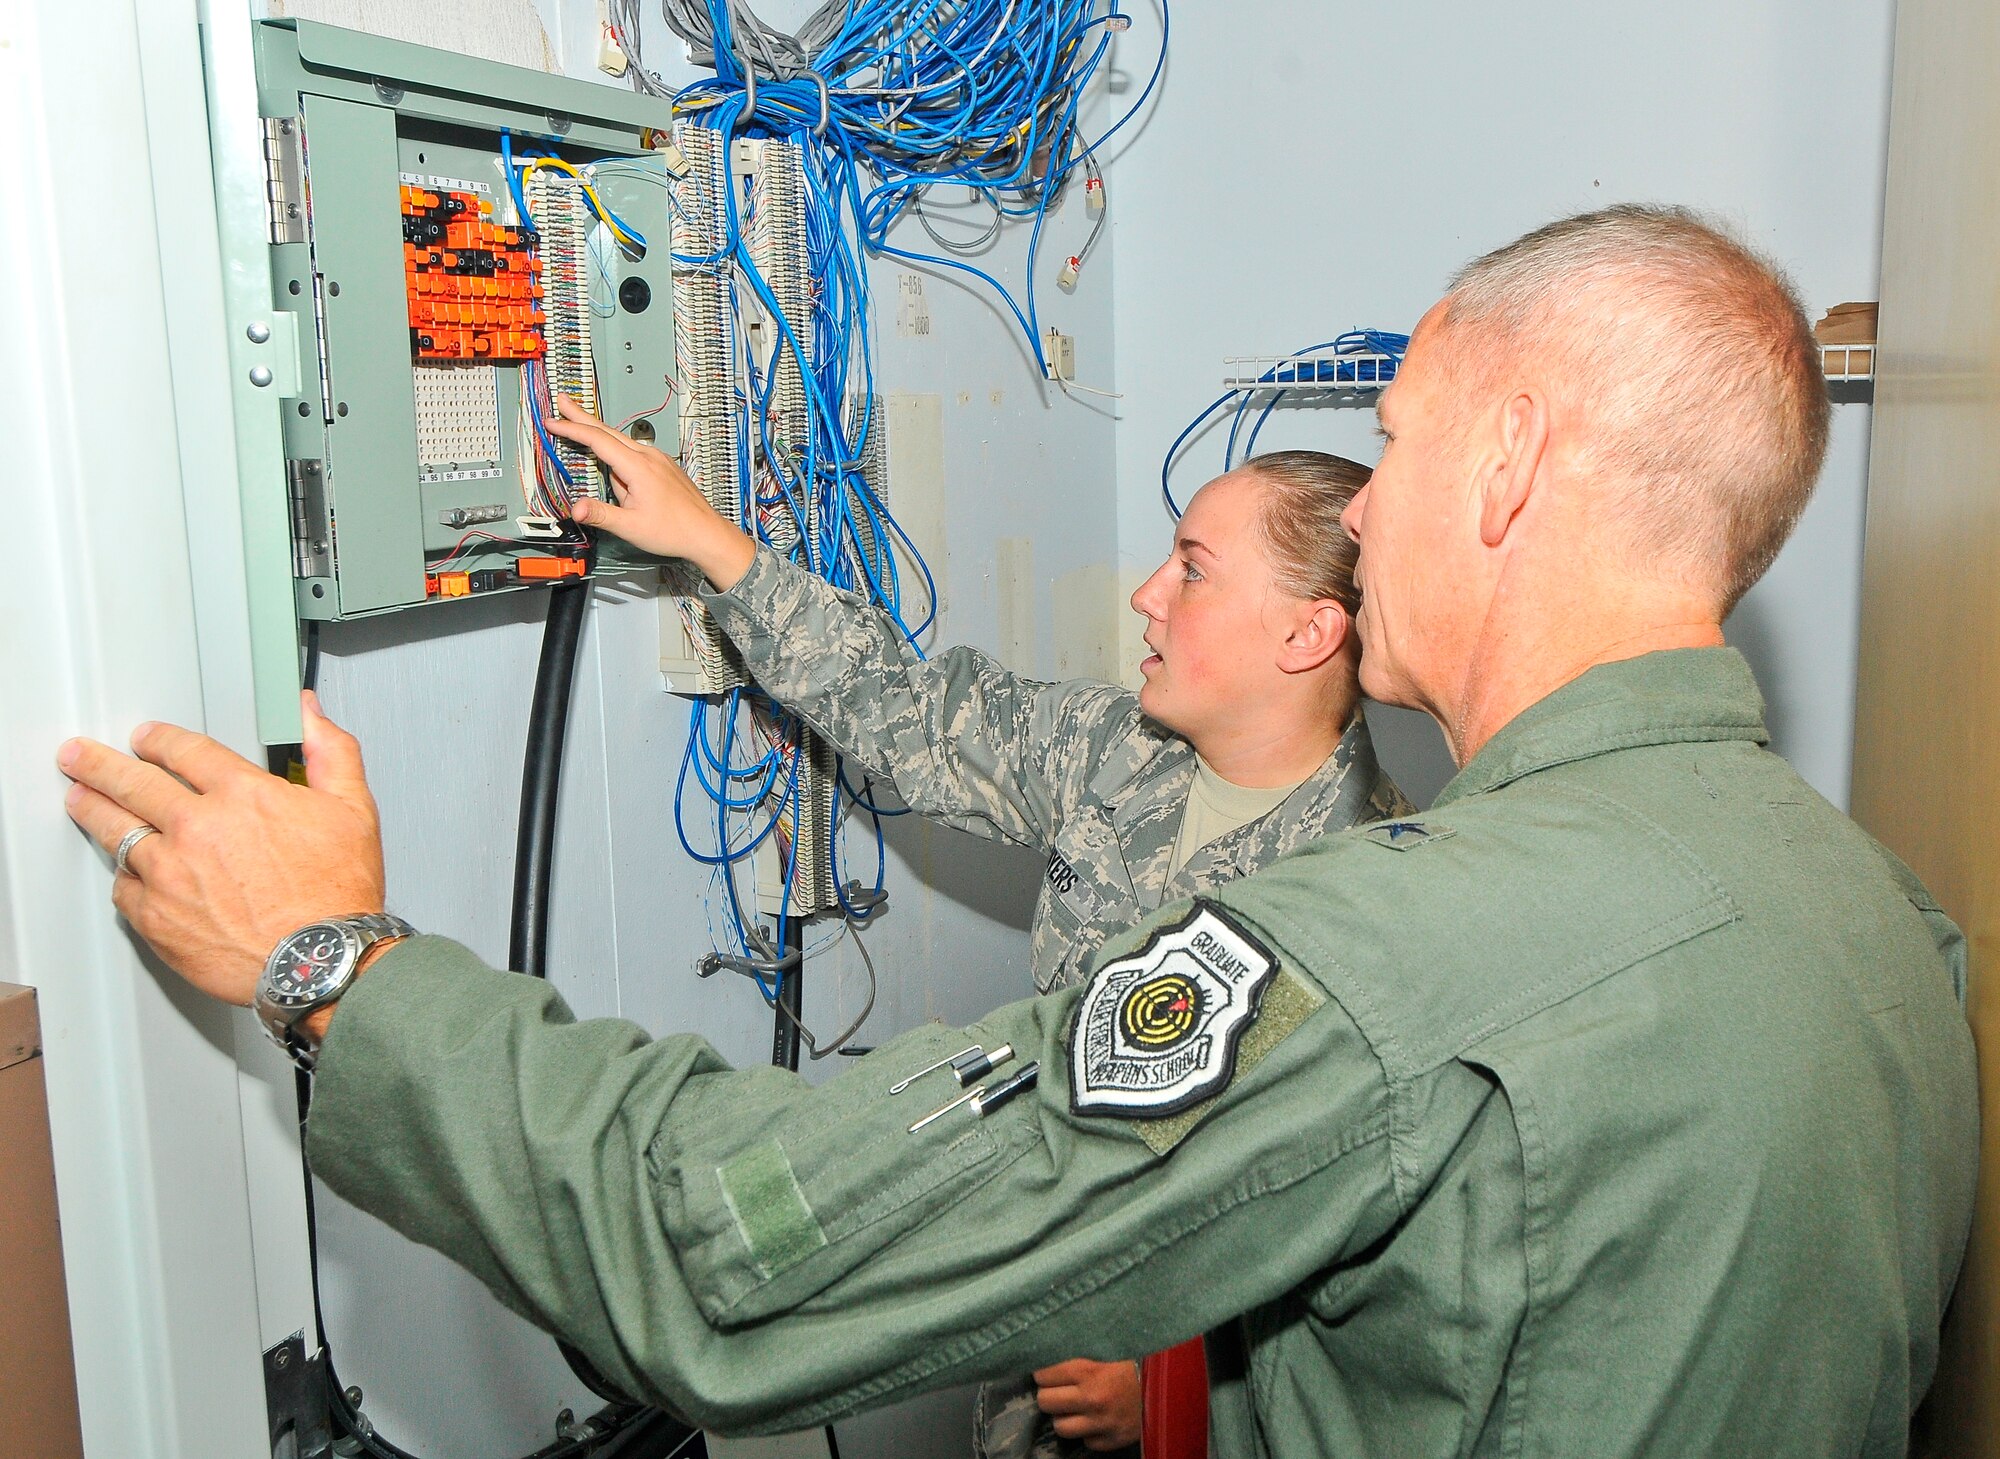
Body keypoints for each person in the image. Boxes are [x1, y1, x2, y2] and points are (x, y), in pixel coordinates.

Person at [59, 205, 1978, 1457]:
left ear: (1512, 463)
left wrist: (334, 967)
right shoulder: (1880, 916)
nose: (1373, 500)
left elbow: (739, 1241)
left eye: (1395, 438)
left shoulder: (1390, 945)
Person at [541, 411, 1411, 1458]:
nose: (1146, 594)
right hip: (1029, 1345)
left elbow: (1357, 1258)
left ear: (1305, 633)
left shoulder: (1373, 892)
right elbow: (898, 708)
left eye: (1191, 570)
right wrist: (708, 539)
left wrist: (1189, 1398)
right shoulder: (1117, 750)